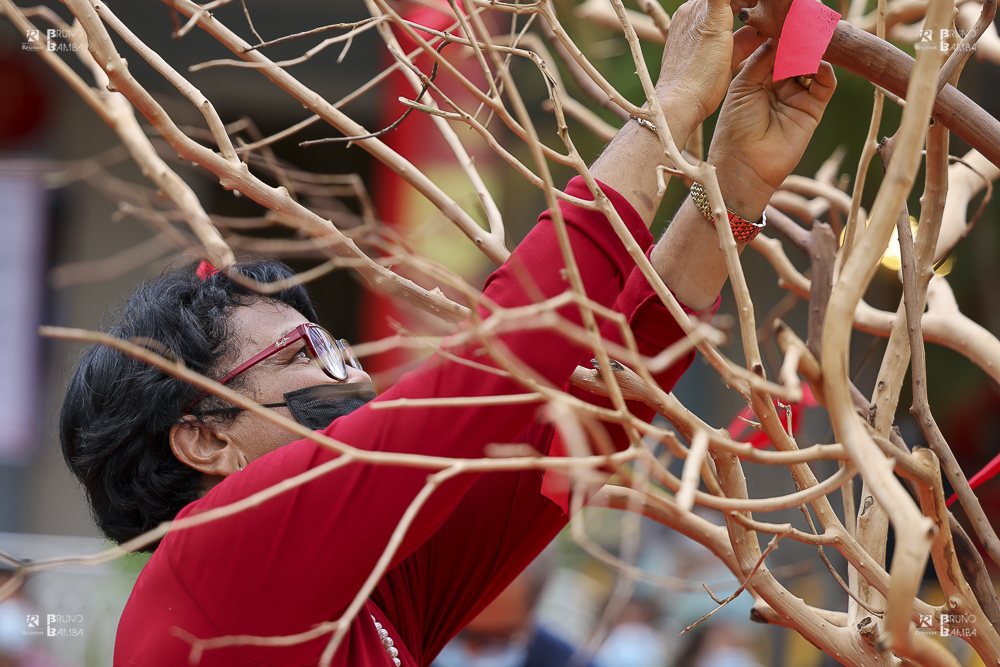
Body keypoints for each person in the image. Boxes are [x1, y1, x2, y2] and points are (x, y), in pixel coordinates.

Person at [56, 0, 836, 663]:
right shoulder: (211, 559)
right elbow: (493, 371)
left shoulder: (370, 582)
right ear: (200, 438)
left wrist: (732, 183)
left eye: (331, 345)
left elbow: (579, 420)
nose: (346, 371)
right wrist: (666, 111)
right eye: (303, 354)